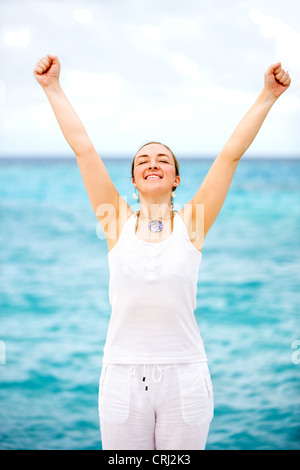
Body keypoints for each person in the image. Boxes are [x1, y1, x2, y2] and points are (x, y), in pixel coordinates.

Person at [33, 55, 291, 450]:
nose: (153, 164)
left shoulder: (193, 224)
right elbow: (84, 150)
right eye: (143, 162)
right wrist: (52, 88)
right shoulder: (116, 223)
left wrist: (267, 96)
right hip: (121, 375)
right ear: (134, 181)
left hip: (185, 376)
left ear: (176, 179)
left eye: (163, 160)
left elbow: (229, 156)